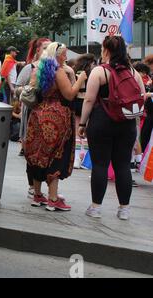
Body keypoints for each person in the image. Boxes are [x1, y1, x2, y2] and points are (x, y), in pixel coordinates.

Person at [79, 36, 146, 220]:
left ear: (106, 50)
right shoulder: (134, 72)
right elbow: (142, 97)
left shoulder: (100, 71)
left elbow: (89, 99)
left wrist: (83, 123)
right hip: (126, 124)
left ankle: (96, 207)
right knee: (123, 165)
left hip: (102, 121)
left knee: (100, 165)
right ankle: (124, 209)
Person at [25, 42, 87, 211]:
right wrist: (81, 78)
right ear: (57, 55)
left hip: (38, 114)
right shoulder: (58, 71)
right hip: (56, 117)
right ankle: (53, 198)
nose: (66, 57)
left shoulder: (39, 70)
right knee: (56, 155)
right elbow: (69, 94)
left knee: (38, 154)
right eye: (64, 54)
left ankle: (37, 195)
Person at [15, 37, 51, 198]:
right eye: (44, 47)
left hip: (49, 115)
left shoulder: (55, 69)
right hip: (31, 112)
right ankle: (32, 186)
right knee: (32, 151)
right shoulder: (29, 68)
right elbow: (17, 89)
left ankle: (51, 188)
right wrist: (30, 89)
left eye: (50, 47)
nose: (48, 50)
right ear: (37, 50)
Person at [72, 54, 97, 169]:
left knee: (77, 130)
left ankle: (76, 158)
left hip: (77, 102)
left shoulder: (75, 72)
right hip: (88, 103)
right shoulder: (93, 73)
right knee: (86, 132)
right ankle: (85, 159)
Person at [134, 62, 153, 152]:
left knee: (141, 134)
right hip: (139, 110)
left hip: (143, 111)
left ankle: (139, 156)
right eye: (143, 72)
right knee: (139, 134)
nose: (145, 74)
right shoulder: (135, 79)